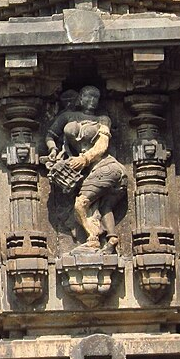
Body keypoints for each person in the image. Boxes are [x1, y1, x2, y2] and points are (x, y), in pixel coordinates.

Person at [45, 85, 127, 250]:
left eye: (95, 97)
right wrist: (53, 150)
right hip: (97, 171)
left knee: (80, 205)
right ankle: (111, 239)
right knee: (105, 206)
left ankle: (93, 238)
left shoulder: (103, 120)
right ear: (80, 99)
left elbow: (102, 145)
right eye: (88, 96)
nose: (92, 101)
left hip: (106, 167)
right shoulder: (67, 116)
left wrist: (84, 159)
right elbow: (50, 135)